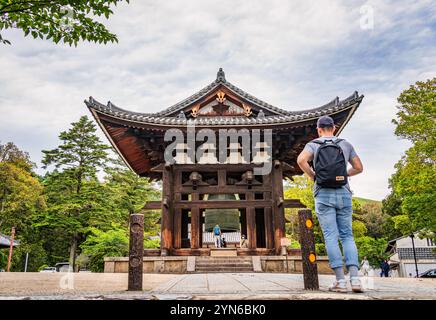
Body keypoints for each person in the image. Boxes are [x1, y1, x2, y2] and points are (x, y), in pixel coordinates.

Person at [297, 115, 364, 293]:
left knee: (330, 236)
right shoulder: (345, 144)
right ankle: (355, 280)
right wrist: (345, 175)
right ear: (334, 128)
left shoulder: (314, 144)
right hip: (343, 192)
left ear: (319, 129)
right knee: (347, 236)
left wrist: (314, 176)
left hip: (323, 194)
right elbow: (359, 167)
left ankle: (340, 282)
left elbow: (300, 160)